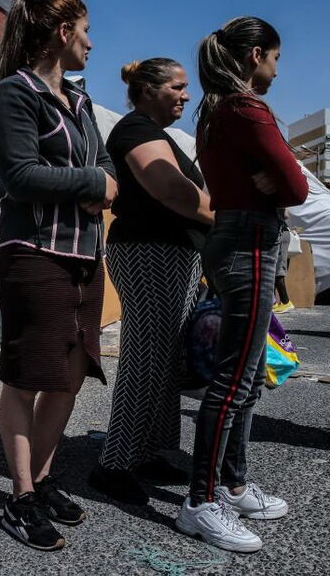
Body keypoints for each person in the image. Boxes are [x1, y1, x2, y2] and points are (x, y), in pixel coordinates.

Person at [0, 0, 118, 551]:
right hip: (34, 254)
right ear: (63, 32)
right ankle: (19, 497)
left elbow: (106, 164)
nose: (92, 41)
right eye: (86, 29)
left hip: (86, 257)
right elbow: (19, 175)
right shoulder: (14, 95)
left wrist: (102, 181)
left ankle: (39, 480)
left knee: (68, 373)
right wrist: (91, 185)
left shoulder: (82, 103)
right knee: (26, 375)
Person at [177, 17, 308, 553]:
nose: (279, 68)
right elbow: (297, 186)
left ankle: (230, 484)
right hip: (250, 242)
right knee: (234, 382)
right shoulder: (246, 108)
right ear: (255, 55)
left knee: (247, 377)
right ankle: (201, 501)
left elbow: (283, 181)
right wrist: (277, 178)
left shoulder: (213, 112)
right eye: (276, 57)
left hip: (237, 239)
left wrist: (273, 178)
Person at [89, 58, 213, 505]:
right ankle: (114, 463)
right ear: (147, 90)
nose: (186, 95)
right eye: (177, 87)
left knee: (165, 357)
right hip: (148, 252)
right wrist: (223, 219)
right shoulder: (136, 130)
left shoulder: (157, 134)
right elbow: (169, 189)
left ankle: (147, 450)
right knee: (147, 356)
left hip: (172, 255)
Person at [273, 211, 295, 313]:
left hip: (281, 234)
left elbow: (286, 214)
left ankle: (286, 302)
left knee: (278, 271)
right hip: (277, 233)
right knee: (272, 271)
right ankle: (273, 303)